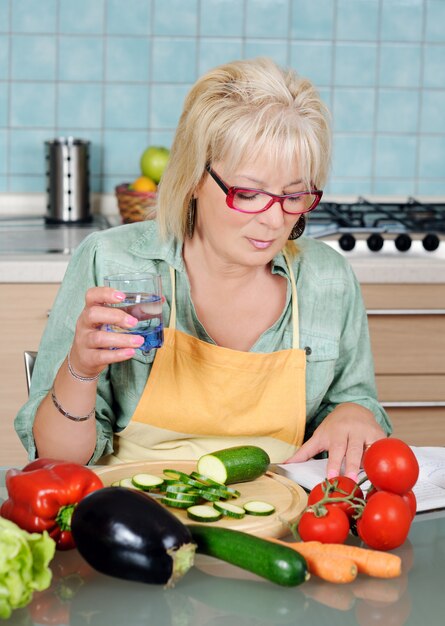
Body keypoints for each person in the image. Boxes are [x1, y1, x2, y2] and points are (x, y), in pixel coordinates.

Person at [15, 57, 391, 479]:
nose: (273, 220)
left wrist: (353, 412)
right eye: (249, 194)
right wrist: (80, 371)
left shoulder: (328, 280)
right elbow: (58, 462)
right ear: (194, 177)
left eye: (294, 195)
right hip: (131, 516)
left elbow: (354, 403)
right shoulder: (111, 260)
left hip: (278, 519)